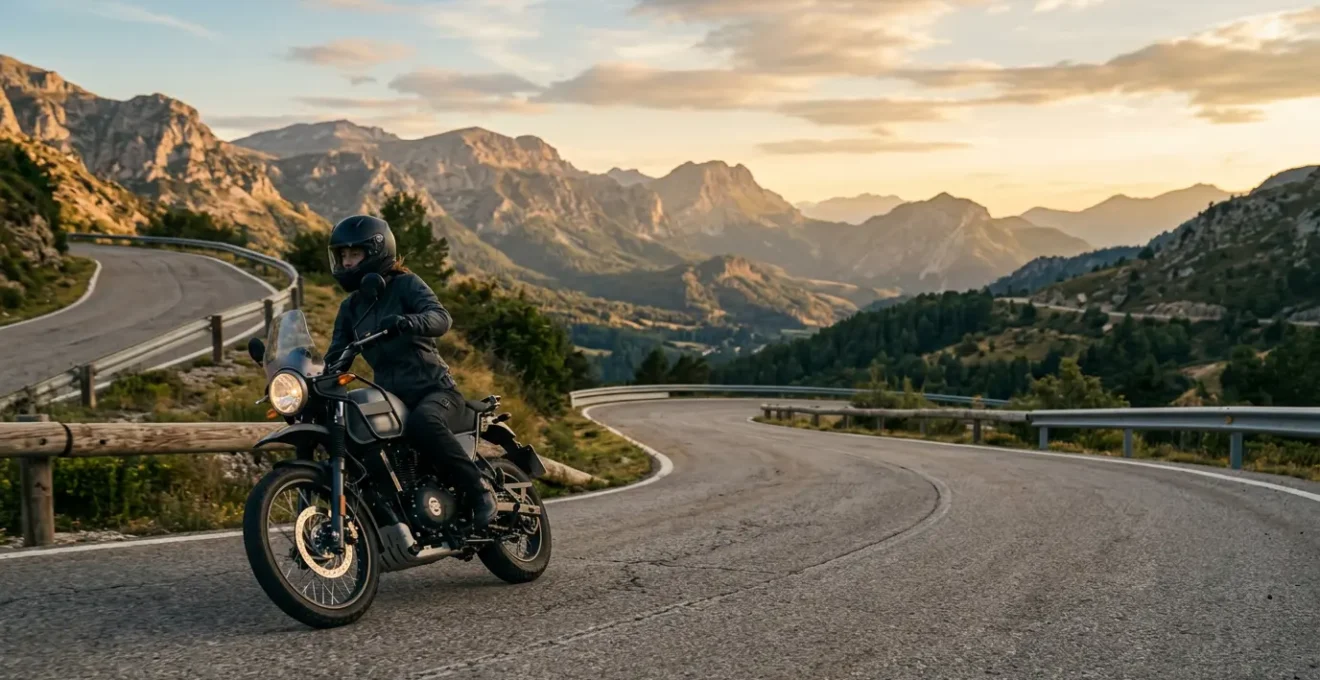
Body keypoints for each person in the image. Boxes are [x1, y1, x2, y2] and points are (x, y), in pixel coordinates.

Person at [324, 214, 498, 529]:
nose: (347, 263)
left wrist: (408, 322)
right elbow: (337, 356)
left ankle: (480, 490)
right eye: (343, 255)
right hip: (391, 398)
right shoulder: (349, 309)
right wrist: (307, 378)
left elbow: (441, 318)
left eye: (354, 254)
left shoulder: (405, 285)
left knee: (424, 422)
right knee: (357, 435)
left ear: (376, 252)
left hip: (435, 391)